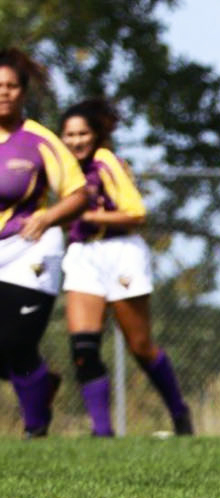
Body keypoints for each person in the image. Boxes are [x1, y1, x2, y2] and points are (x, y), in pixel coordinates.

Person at [61, 99, 191, 437]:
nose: (76, 141)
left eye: (82, 134)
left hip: (119, 252)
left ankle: (179, 413)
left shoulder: (105, 162)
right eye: (69, 135)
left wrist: (86, 215)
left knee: (140, 346)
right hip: (82, 253)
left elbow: (136, 214)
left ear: (96, 135)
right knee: (83, 348)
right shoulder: (62, 170)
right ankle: (101, 432)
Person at [0, 48, 87, 438]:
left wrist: (49, 216)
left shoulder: (40, 141)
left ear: (23, 92)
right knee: (12, 353)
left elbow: (78, 194)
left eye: (12, 86)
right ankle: (41, 382)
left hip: (30, 248)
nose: (4, 92)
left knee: (17, 342)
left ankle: (36, 428)